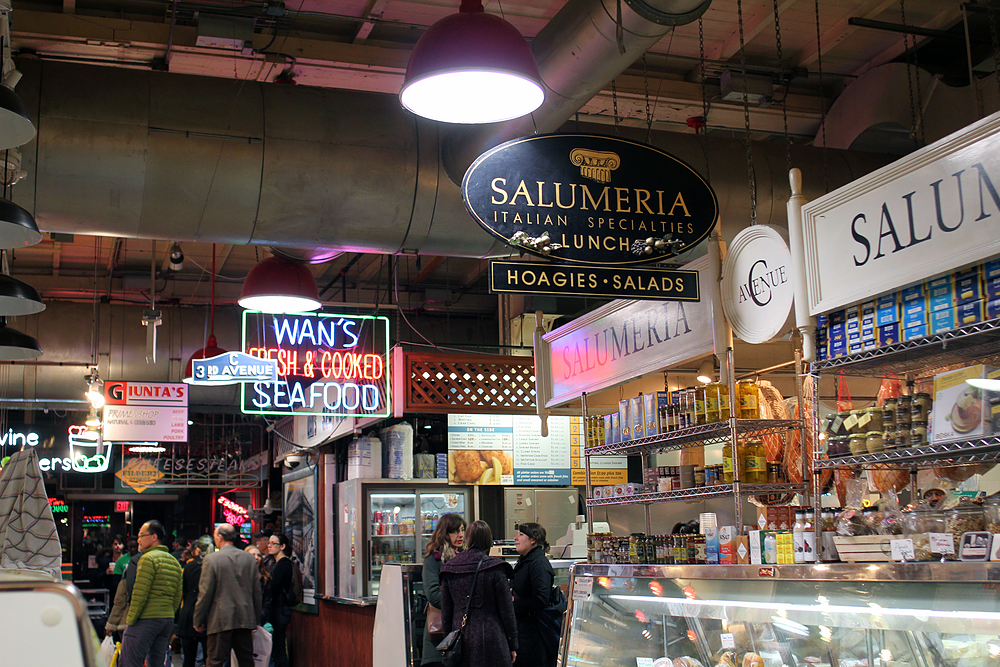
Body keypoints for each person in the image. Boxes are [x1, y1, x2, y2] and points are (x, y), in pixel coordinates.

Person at [439, 520, 517, 667]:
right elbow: (507, 611)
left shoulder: (450, 568)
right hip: (493, 638)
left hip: (461, 639)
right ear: (489, 541)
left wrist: (448, 643)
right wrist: (512, 644)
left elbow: (446, 612)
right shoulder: (495, 568)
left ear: (467, 539)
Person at [193, 523, 263, 667]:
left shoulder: (212, 560)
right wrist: (256, 617)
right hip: (245, 617)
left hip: (220, 618)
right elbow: (256, 591)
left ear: (220, 537)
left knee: (215, 660)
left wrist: (198, 619)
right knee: (246, 660)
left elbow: (205, 593)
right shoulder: (249, 559)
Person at [120, 520, 183, 667]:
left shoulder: (147, 559)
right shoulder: (174, 561)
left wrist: (130, 621)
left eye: (142, 535)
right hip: (166, 620)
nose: (139, 540)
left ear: (154, 537)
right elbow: (177, 595)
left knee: (130, 661)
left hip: (145, 619)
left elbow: (139, 594)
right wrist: (169, 613)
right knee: (157, 662)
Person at [421, 513, 466, 667]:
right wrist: (460, 605)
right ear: (444, 533)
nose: (460, 535)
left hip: (463, 632)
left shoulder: (466, 557)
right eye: (455, 531)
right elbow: (433, 594)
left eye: (462, 530)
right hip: (440, 636)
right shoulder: (433, 559)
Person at [512, 523, 557, 667]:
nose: (515, 538)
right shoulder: (526, 560)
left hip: (535, 633)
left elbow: (541, 599)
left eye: (521, 535)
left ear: (533, 540)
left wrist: (512, 605)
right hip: (524, 631)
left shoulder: (538, 563)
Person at [176, 535, 213, 667]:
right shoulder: (214, 565)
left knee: (188, 659)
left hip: (188, 613)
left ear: (197, 549)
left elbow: (183, 591)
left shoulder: (189, 566)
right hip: (209, 615)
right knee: (210, 659)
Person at [264, 532, 294, 667]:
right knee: (277, 647)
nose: (269, 546)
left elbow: (274, 587)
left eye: (273, 543)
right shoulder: (278, 563)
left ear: (282, 546)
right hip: (279, 609)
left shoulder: (283, 564)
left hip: (279, 610)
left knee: (278, 647)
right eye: (269, 543)